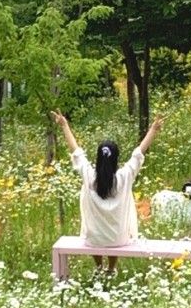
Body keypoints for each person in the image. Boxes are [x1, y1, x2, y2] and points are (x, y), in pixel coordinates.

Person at [51, 110, 163, 273]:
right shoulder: (124, 177)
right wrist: (153, 130)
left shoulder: (89, 176)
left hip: (94, 240)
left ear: (98, 157)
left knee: (96, 231)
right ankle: (111, 268)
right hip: (119, 239)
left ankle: (98, 268)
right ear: (116, 158)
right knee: (114, 231)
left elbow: (76, 151)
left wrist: (64, 125)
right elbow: (138, 153)